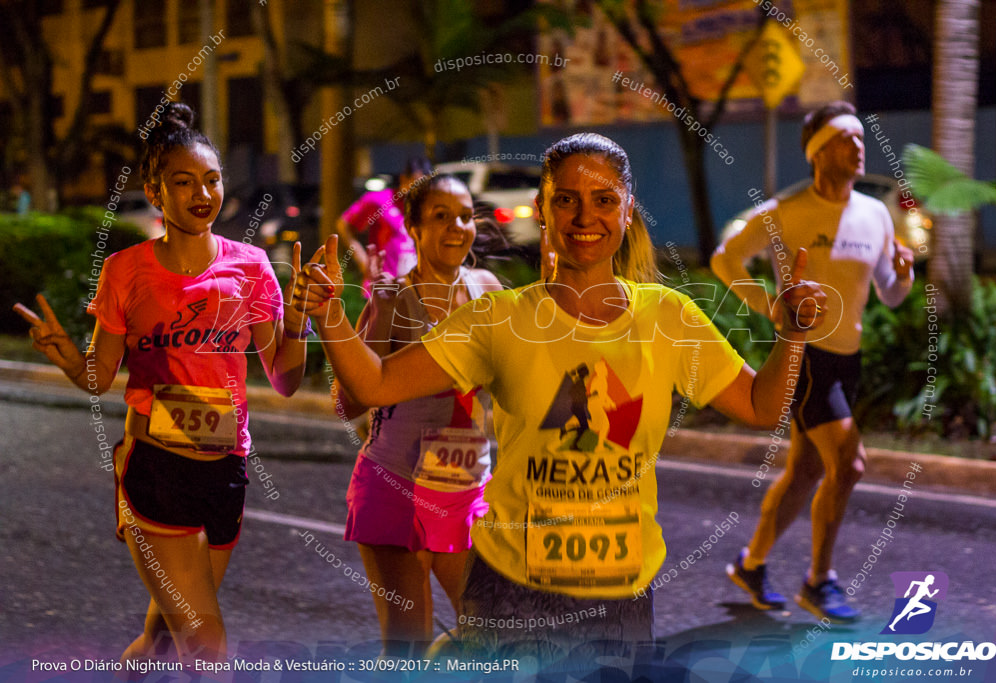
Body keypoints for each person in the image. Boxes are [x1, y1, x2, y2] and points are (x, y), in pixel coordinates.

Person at [292, 133, 826, 660]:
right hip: (509, 592)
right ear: (543, 212)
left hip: (622, 595)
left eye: (604, 200)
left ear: (627, 211)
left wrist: (793, 335)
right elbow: (374, 386)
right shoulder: (499, 319)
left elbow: (762, 406)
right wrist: (331, 315)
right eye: (565, 200)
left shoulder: (669, 317)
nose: (584, 216)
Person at [13, 102, 309, 665]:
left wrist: (297, 320)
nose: (203, 193)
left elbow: (285, 380)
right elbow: (100, 377)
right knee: (208, 644)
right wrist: (67, 357)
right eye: (184, 182)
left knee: (164, 640)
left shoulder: (252, 268)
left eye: (212, 180)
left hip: (226, 472)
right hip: (156, 471)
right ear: (155, 192)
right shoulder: (126, 270)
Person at [711, 101, 915, 622]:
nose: (859, 144)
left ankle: (752, 563)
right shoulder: (786, 212)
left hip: (849, 359)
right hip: (806, 357)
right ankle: (818, 581)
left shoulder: (875, 213)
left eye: (860, 135)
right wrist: (768, 306)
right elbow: (724, 258)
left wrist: (905, 274)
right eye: (846, 137)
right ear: (819, 152)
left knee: (804, 471)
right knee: (848, 464)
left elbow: (891, 295)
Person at [334, 173, 502, 656]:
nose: (457, 227)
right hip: (396, 485)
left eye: (467, 216)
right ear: (414, 227)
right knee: (408, 646)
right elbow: (348, 403)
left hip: (466, 489)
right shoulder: (391, 298)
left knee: (491, 634)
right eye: (441, 216)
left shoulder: (486, 289)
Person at [336, 157, 432, 287]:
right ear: (404, 178)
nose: (419, 190)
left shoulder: (423, 208)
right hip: (380, 286)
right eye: (416, 183)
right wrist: (363, 261)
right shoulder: (380, 200)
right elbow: (344, 224)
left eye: (424, 186)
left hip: (410, 288)